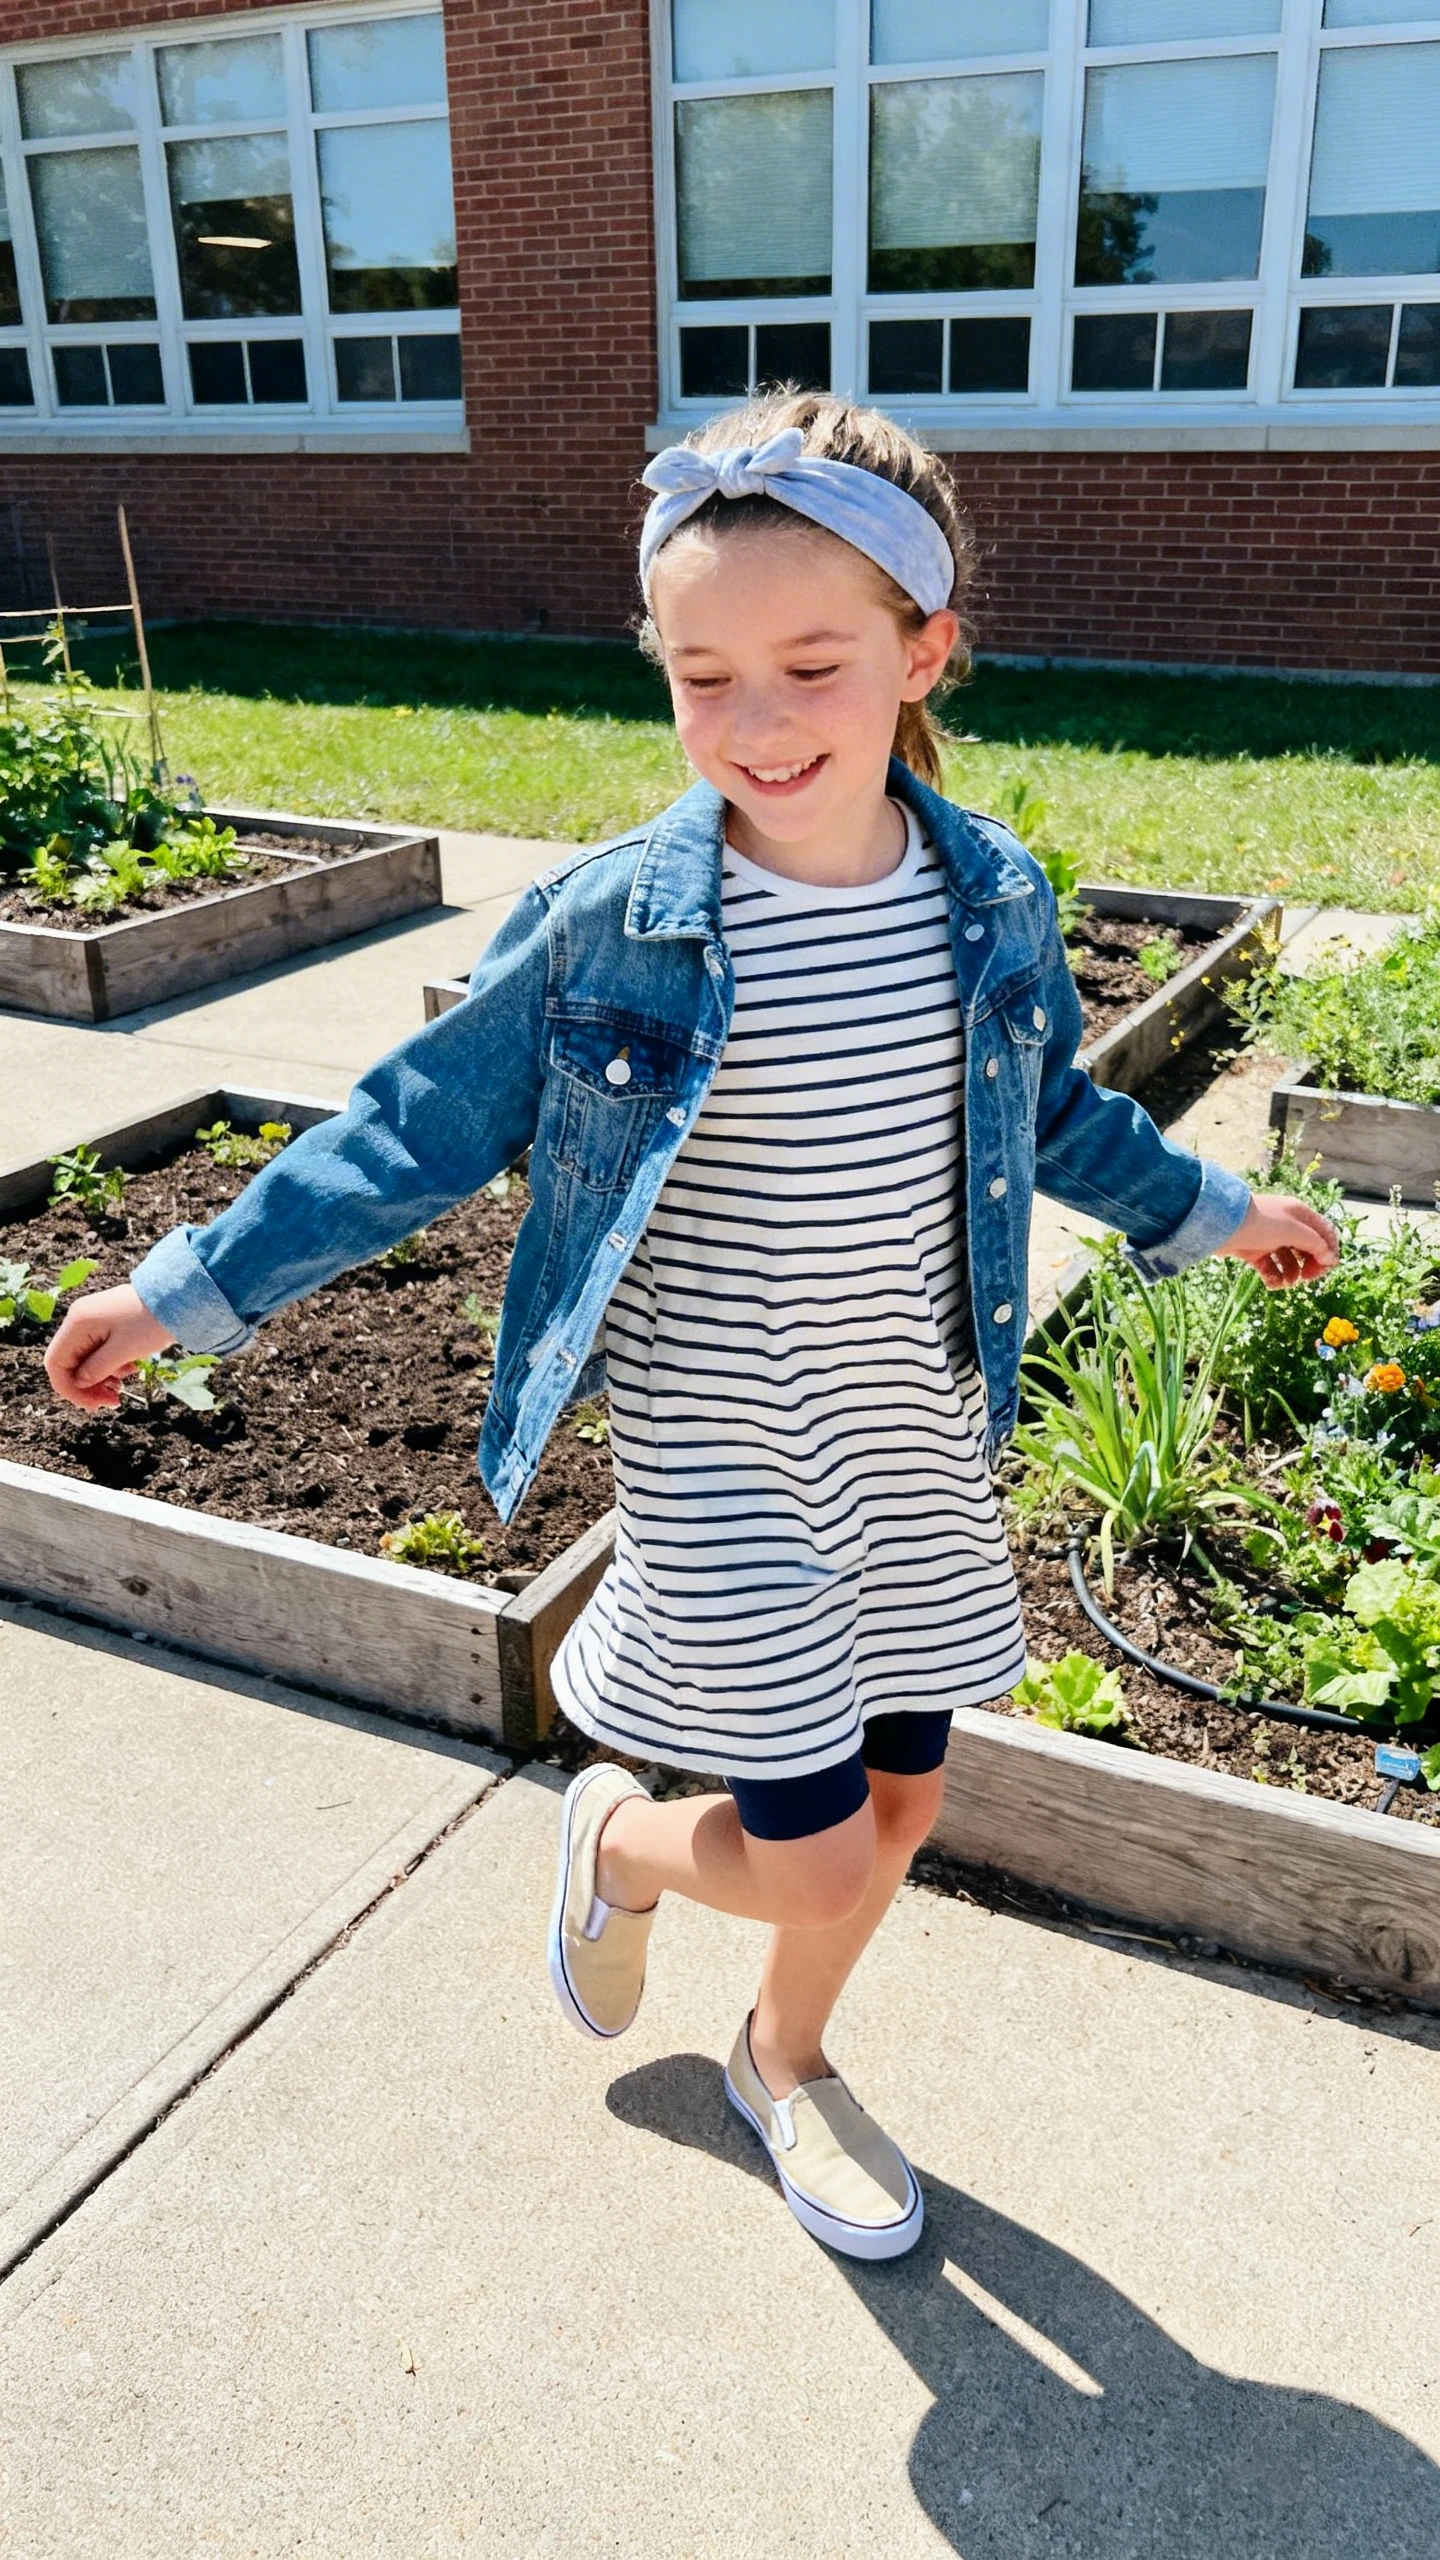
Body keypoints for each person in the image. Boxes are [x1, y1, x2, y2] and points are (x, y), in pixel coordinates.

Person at [46, 392, 1337, 2263]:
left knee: (901, 1805)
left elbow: (1053, 1114)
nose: (751, 721)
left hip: (908, 1431)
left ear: (922, 653)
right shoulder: (608, 927)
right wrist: (181, 1291)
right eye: (699, 672)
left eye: (811, 664)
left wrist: (1222, 1209)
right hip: (724, 1455)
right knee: (807, 1843)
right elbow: (414, 1128)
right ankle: (624, 1844)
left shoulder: (989, 904)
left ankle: (781, 2059)